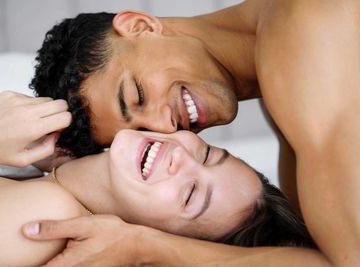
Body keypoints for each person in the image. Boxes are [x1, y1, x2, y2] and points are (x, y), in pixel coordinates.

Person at [24, 0, 360, 266]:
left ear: (141, 26)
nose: (167, 127)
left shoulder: (304, 38)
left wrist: (145, 248)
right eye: (142, 131)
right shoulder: (283, 90)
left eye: (138, 96)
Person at [0, 97, 314, 266]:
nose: (183, 158)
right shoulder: (43, 167)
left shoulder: (51, 217)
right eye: (207, 153)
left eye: (190, 194)